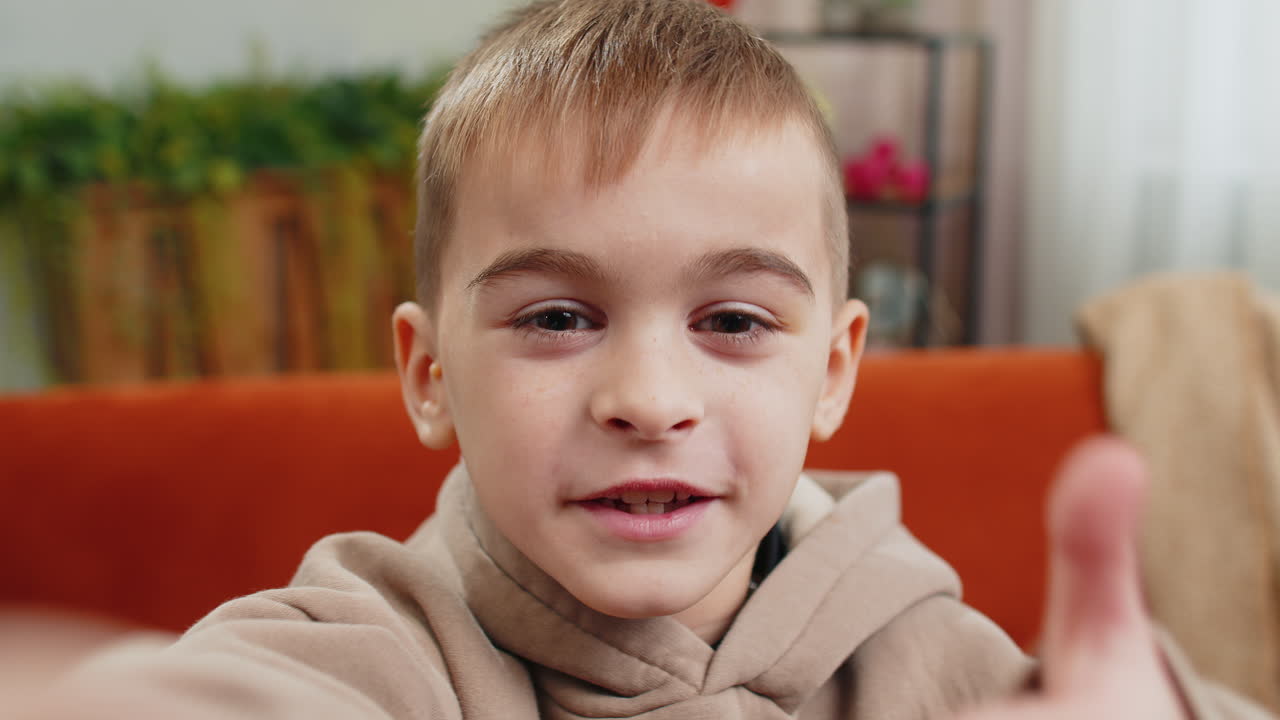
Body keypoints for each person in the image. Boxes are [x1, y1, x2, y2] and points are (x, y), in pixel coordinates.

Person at [19, 1, 1274, 717]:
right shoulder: (373, 647)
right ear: (427, 374)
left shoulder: (932, 662)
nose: (647, 401)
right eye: (557, 319)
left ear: (833, 370)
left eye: (731, 322)